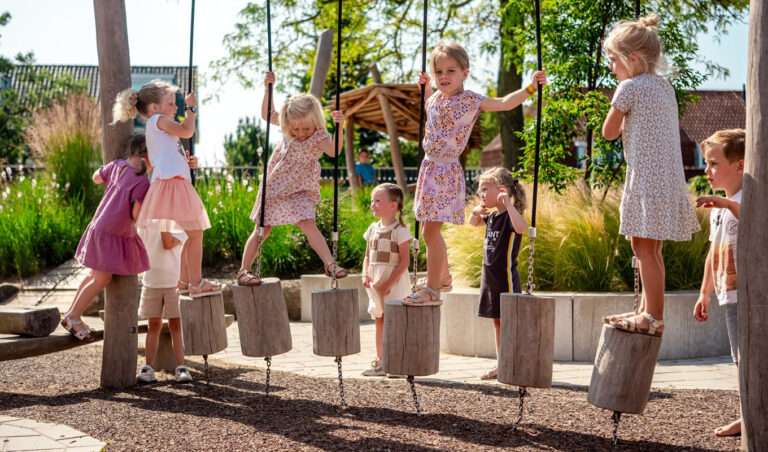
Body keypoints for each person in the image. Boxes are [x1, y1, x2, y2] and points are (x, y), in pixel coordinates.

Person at [403, 41, 546, 305]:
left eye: (451, 71)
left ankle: (433, 288)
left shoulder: (470, 101)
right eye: (439, 72)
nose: (444, 77)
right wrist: (424, 88)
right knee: (427, 231)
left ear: (465, 72)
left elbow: (504, 103)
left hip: (445, 169)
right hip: (429, 168)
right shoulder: (434, 97)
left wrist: (529, 89)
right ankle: (443, 277)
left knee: (430, 233)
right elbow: (432, 115)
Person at [601, 13, 700, 335]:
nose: (612, 68)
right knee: (652, 251)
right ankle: (646, 310)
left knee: (642, 250)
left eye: (614, 61)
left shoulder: (628, 87)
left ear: (632, 58)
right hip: (668, 179)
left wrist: (617, 103)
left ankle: (652, 317)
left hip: (645, 179)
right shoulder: (664, 87)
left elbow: (608, 133)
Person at [236, 71, 348, 286]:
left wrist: (339, 127)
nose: (301, 132)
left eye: (306, 127)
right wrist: (268, 89)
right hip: (276, 186)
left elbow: (334, 151)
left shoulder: (319, 137)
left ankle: (330, 264)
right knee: (262, 229)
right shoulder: (288, 127)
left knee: (308, 223)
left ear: (315, 121)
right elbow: (267, 114)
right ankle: (244, 271)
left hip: (300, 189)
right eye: (296, 129)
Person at [113, 80, 222, 298]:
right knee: (196, 234)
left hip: (173, 182)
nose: (176, 108)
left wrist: (189, 163)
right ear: (155, 107)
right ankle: (197, 283)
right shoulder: (159, 120)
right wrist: (191, 108)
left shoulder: (157, 127)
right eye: (171, 103)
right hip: (174, 184)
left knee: (191, 235)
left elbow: (164, 156)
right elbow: (187, 130)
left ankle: (183, 281)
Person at [61, 134, 151, 341]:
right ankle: (73, 316)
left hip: (99, 227)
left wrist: (108, 175)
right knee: (103, 278)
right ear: (146, 156)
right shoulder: (142, 182)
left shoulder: (117, 166)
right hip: (112, 233)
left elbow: (96, 178)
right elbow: (136, 215)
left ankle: (71, 314)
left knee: (94, 275)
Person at [692, 129, 745, 437]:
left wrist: (724, 205)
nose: (706, 170)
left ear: (739, 165)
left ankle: (750, 414)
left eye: (713, 164)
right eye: (705, 163)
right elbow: (713, 252)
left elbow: (750, 216)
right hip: (730, 295)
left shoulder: (746, 197)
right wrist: (704, 294)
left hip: (751, 295)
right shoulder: (719, 208)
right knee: (739, 358)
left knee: (751, 356)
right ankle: (746, 413)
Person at [468, 168, 527, 380]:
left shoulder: (509, 216)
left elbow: (522, 229)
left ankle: (512, 363)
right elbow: (472, 222)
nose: (480, 194)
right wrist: (476, 211)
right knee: (497, 321)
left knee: (508, 321)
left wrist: (509, 204)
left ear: (501, 190)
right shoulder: (492, 216)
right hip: (489, 279)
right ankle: (502, 363)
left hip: (506, 279)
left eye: (485, 189)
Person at [360, 183, 413, 376]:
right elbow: (367, 256)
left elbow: (405, 261)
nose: (373, 204)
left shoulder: (400, 231)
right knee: (379, 319)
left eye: (377, 201)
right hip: (376, 283)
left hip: (393, 282)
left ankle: (396, 361)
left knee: (394, 320)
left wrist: (388, 283)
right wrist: (365, 274)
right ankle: (382, 361)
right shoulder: (372, 229)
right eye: (372, 201)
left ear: (393, 205)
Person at [135, 226, 193, 383]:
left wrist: (163, 221)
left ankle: (181, 367)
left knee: (175, 325)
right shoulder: (147, 223)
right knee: (153, 325)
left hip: (174, 283)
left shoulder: (178, 225)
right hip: (151, 282)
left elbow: (167, 243)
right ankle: (148, 367)